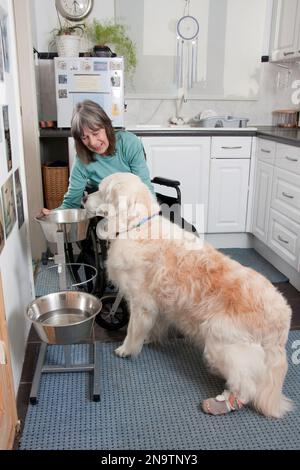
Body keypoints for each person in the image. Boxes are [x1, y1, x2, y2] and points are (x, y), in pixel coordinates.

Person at [41, 100, 155, 216]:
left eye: (95, 133)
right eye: (85, 137)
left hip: (130, 209)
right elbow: (71, 202)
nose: (93, 142)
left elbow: (144, 187)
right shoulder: (82, 160)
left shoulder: (129, 143)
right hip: (103, 212)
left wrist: (151, 218)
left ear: (106, 126)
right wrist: (52, 214)